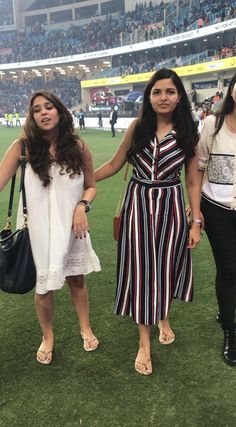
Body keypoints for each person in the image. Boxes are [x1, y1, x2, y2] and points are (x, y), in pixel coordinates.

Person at [95, 68, 201, 375]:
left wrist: (195, 222)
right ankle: (144, 342)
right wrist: (82, 178)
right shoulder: (137, 127)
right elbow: (115, 165)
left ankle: (162, 316)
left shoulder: (187, 131)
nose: (163, 97)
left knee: (166, 268)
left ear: (179, 95)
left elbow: (192, 181)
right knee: (141, 272)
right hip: (137, 207)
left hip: (171, 208)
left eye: (169, 91)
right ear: (149, 96)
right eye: (157, 92)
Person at [0, 91, 101, 364]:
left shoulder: (78, 147)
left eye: (49, 107)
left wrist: (82, 206)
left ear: (59, 111)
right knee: (43, 288)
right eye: (36, 109)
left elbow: (91, 186)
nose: (44, 112)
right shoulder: (22, 148)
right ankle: (47, 336)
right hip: (38, 231)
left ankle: (85, 327)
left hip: (72, 226)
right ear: (31, 117)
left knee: (77, 279)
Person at [198, 73, 236, 366]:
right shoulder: (213, 124)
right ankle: (230, 330)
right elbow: (199, 167)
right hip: (215, 208)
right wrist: (195, 209)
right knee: (228, 267)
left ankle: (226, 313)